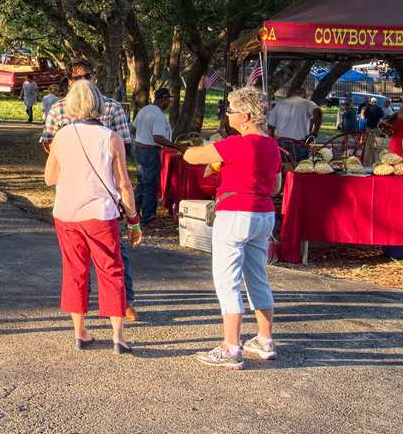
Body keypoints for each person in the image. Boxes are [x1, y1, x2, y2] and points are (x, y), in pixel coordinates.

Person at [184, 86, 281, 370]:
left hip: (235, 213)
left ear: (246, 116)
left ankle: (231, 346)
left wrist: (216, 156)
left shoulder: (236, 144)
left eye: (230, 111)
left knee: (228, 281)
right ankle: (264, 339)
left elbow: (190, 156)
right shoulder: (272, 145)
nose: (227, 115)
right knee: (257, 276)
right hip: (263, 213)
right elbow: (276, 186)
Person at [43, 79, 142, 354]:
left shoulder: (61, 137)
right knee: (111, 270)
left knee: (75, 270)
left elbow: (49, 177)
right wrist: (133, 220)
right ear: (99, 104)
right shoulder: (111, 138)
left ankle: (80, 332)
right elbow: (124, 184)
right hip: (100, 214)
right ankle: (118, 337)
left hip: (67, 212)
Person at [130, 88, 181, 226]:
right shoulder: (158, 114)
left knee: (143, 183)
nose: (169, 103)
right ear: (162, 99)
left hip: (139, 148)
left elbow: (133, 129)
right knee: (151, 185)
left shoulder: (145, 110)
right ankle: (148, 217)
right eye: (168, 100)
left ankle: (133, 211)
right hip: (150, 151)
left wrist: (142, 136)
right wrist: (176, 146)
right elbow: (157, 138)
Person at [266, 84, 320, 161]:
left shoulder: (280, 104)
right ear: (304, 95)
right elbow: (318, 112)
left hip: (281, 146)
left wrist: (273, 142)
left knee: (282, 165)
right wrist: (315, 133)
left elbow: (270, 127)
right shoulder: (307, 103)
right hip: (299, 145)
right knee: (301, 166)